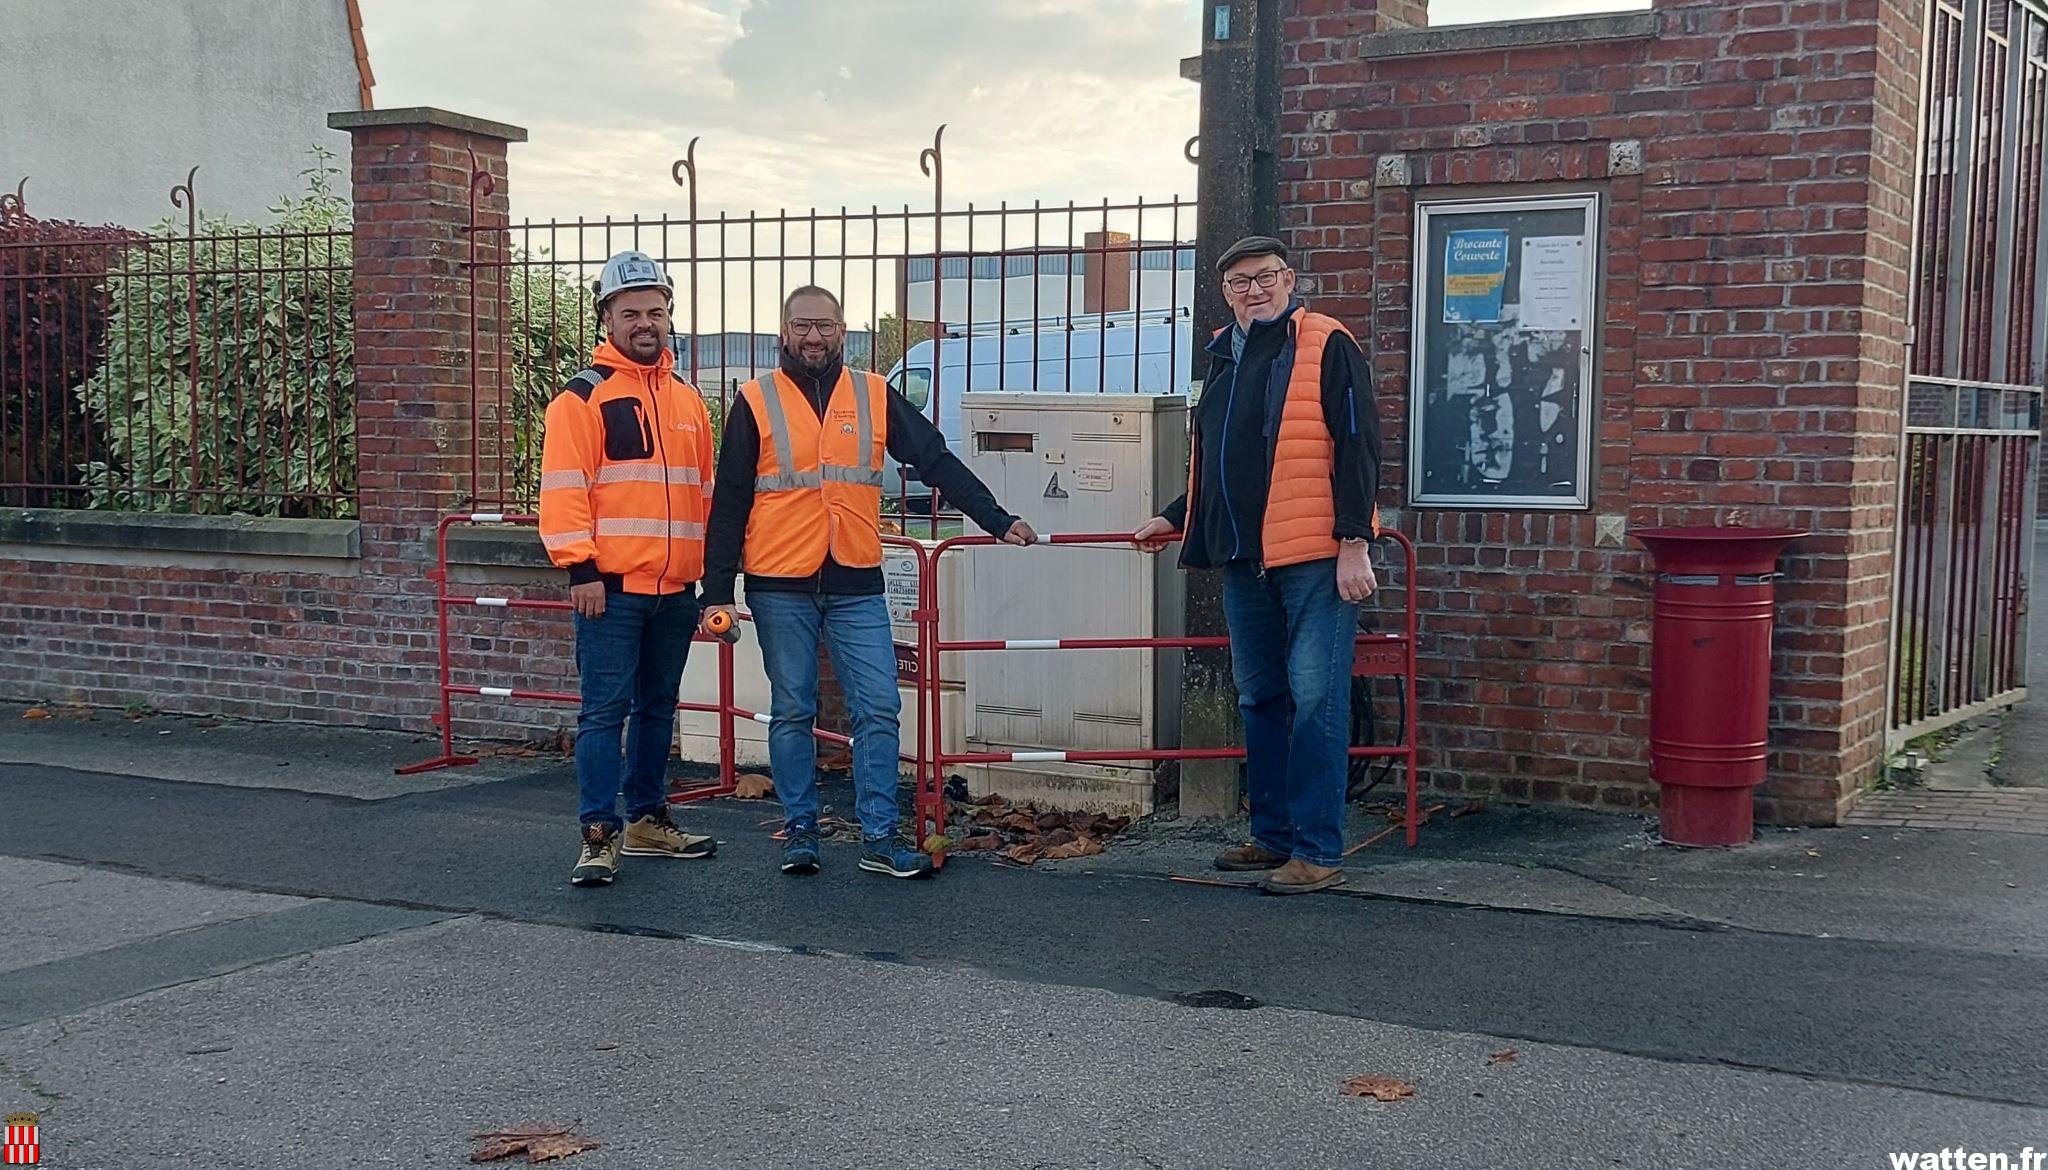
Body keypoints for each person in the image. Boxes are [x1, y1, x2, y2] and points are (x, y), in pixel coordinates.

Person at [702, 286, 1037, 879]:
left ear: (842, 330)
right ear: (783, 332)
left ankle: (880, 836)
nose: (813, 337)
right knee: (792, 710)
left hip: (855, 576)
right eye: (802, 326)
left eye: (825, 327)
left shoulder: (874, 393)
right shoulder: (755, 400)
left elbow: (934, 459)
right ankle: (800, 830)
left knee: (880, 707)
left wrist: (995, 518)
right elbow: (729, 499)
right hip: (778, 579)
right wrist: (716, 591)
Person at [1134, 235, 1383, 895]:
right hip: (1245, 558)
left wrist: (1355, 541)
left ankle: (1317, 848)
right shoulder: (1226, 353)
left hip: (1314, 556)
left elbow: (1359, 443)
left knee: (1315, 702)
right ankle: (1272, 836)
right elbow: (1220, 455)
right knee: (1260, 698)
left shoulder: (1325, 342)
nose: (1254, 288)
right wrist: (1180, 513)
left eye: (1265, 276)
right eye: (1240, 280)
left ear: (1289, 279)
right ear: (1226, 292)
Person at [538, 249, 719, 888]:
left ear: (670, 317)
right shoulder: (581, 398)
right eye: (632, 312)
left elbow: (704, 492)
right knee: (603, 714)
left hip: (675, 590)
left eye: (657, 311)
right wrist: (580, 570)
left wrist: (706, 579)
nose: (647, 322)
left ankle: (646, 821)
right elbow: (565, 490)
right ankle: (597, 834)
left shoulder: (689, 401)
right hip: (609, 590)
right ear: (607, 319)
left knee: (656, 708)